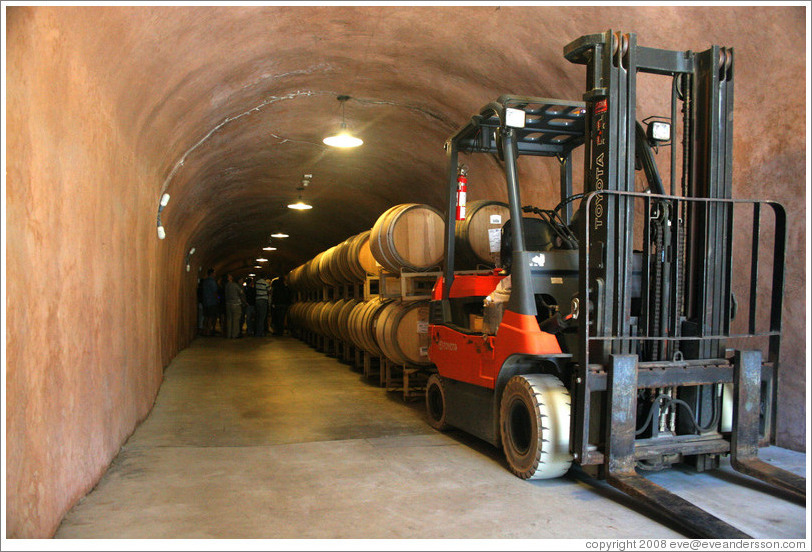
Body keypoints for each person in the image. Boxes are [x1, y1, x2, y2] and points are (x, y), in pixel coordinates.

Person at [224, 274, 245, 339]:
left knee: (229, 320)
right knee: (236, 320)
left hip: (228, 304)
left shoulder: (226, 285)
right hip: (236, 304)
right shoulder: (235, 285)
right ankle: (235, 334)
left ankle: (229, 334)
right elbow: (241, 293)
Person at [201, 269, 219, 336]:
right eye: (214, 273)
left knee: (206, 317)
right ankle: (208, 332)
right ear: (212, 273)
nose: (215, 274)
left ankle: (204, 331)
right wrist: (218, 299)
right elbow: (215, 292)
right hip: (212, 302)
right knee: (211, 317)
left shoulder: (205, 281)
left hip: (205, 302)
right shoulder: (212, 282)